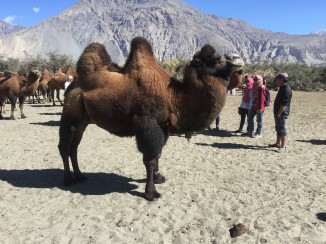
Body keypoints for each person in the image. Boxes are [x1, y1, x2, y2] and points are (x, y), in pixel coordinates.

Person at [271, 72, 292, 153]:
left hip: (281, 113)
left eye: (277, 80)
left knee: (282, 129)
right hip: (278, 112)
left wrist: (279, 113)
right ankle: (277, 143)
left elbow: (284, 104)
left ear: (282, 80)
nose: (276, 81)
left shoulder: (286, 89)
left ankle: (283, 147)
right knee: (278, 128)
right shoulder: (282, 87)